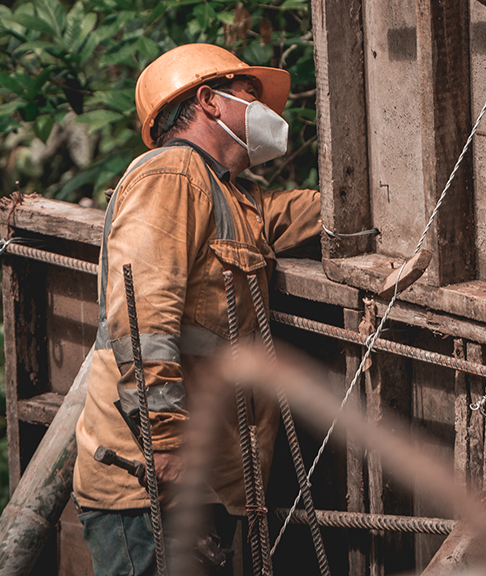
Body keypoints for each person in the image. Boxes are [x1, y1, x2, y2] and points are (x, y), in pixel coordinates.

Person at [72, 43, 321, 575]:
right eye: (248, 95)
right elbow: (142, 319)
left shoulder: (234, 197)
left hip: (202, 477)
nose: (265, 112)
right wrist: (162, 443)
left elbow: (310, 212)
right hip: (153, 480)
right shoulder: (170, 176)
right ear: (209, 101)